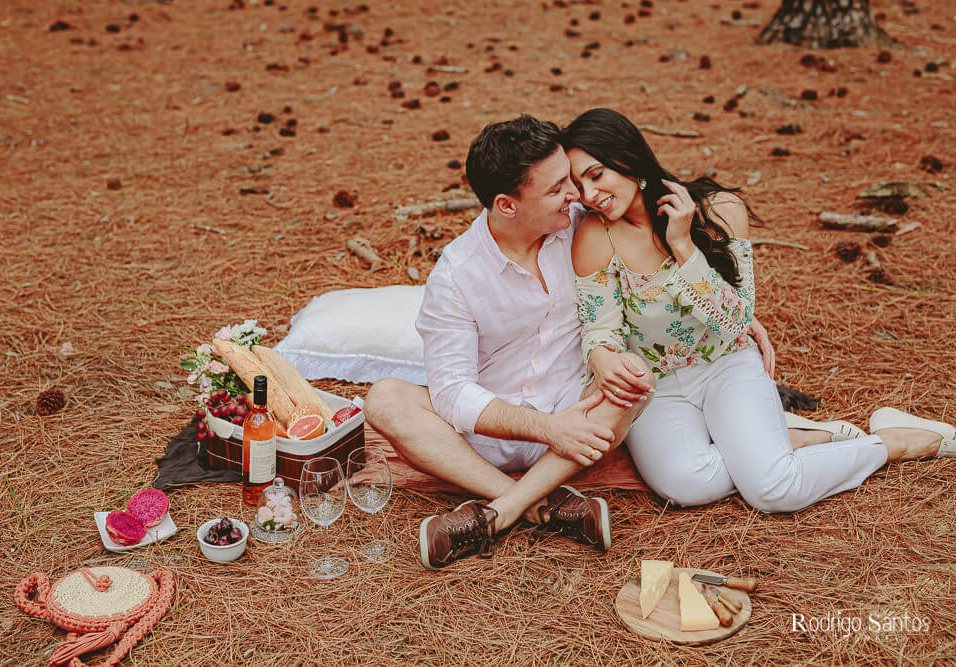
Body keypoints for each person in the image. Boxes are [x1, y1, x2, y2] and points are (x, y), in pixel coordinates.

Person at [364, 115, 776, 570]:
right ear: (507, 204)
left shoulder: (585, 224)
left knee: (633, 374)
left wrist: (740, 319)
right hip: (487, 434)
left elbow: (640, 227)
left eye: (574, 180)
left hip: (579, 414)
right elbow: (452, 394)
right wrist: (546, 429)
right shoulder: (456, 276)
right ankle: (534, 505)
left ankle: (498, 514)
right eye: (559, 187)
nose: (576, 194)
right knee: (385, 399)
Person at [562, 107, 955, 513]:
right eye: (579, 185)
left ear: (627, 159)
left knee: (773, 491)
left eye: (596, 175)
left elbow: (735, 322)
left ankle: (893, 442)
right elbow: (600, 326)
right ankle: (798, 440)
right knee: (687, 486)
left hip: (725, 365)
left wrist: (683, 246)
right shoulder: (595, 234)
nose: (589, 196)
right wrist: (602, 357)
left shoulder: (719, 210)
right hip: (656, 388)